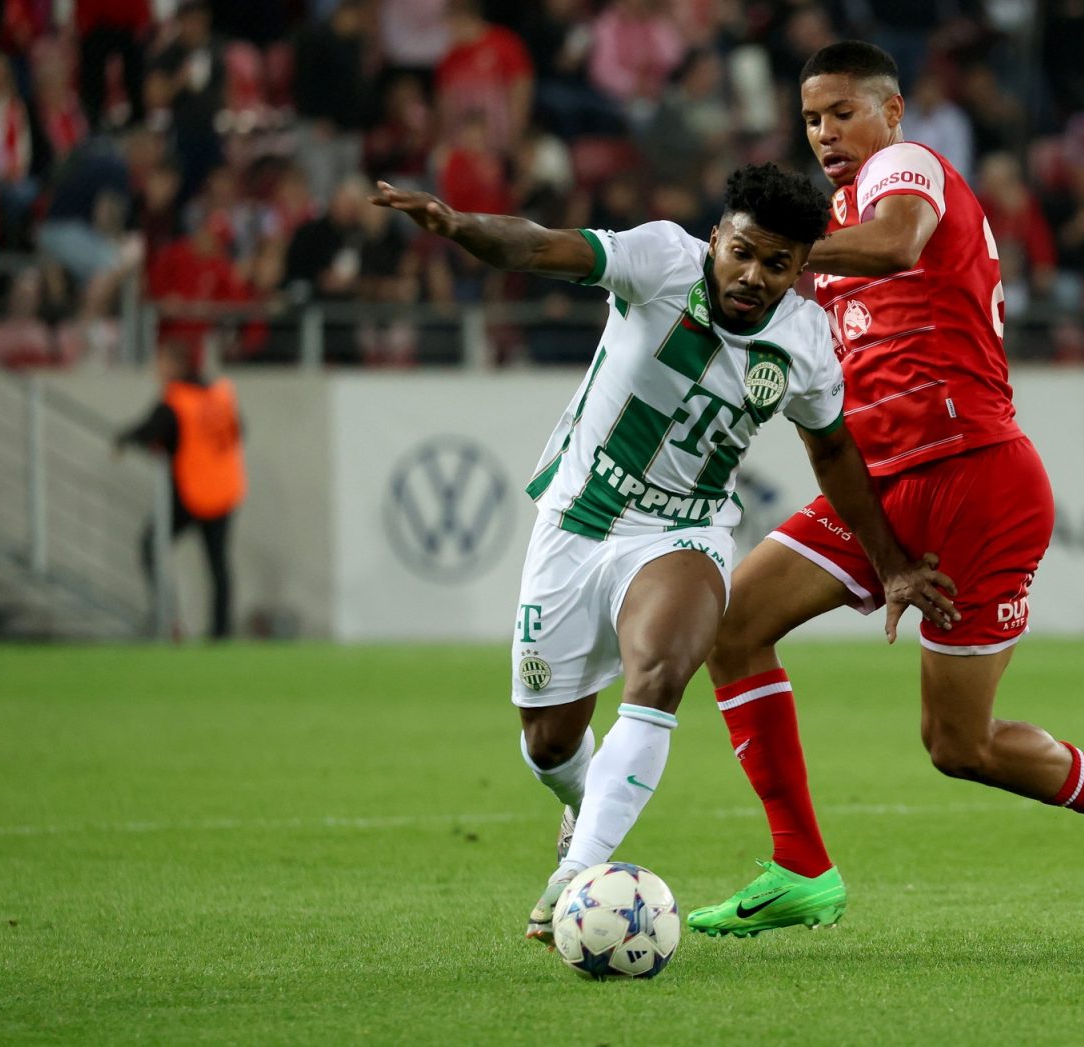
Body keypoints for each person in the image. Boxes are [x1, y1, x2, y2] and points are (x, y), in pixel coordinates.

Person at [369, 163, 956, 945]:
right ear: (715, 239)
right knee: (548, 741)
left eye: (778, 263)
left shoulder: (804, 340)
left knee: (659, 675)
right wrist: (459, 226)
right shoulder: (659, 262)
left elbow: (833, 452)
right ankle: (580, 801)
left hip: (684, 531)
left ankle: (577, 876)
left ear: (800, 268)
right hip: (577, 520)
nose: (753, 275)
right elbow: (540, 247)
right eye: (742, 252)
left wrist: (890, 561)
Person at [687, 42, 1084, 939]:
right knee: (732, 625)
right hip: (877, 488)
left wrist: (780, 251)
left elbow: (901, 242)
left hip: (973, 478)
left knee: (960, 745)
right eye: (811, 119)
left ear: (892, 111)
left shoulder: (903, 170)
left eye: (842, 112)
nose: (826, 133)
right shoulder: (828, 237)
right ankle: (801, 865)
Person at [115, 342, 246, 639]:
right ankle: (221, 632)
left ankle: (168, 618)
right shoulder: (218, 395)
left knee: (150, 544)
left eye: (161, 363)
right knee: (218, 564)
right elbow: (239, 431)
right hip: (225, 489)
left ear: (176, 366)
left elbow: (149, 431)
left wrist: (122, 440)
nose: (156, 370)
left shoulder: (176, 400)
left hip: (191, 493)